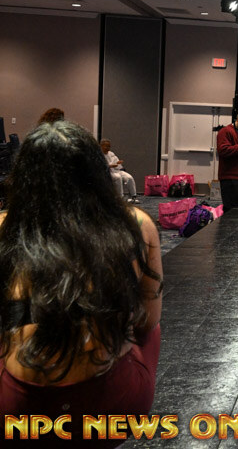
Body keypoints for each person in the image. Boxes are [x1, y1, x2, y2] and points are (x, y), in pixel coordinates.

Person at [0, 120, 163, 446]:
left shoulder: (5, 227)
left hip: (19, 410)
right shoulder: (136, 224)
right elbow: (148, 322)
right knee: (150, 325)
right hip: (114, 406)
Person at [100, 138, 139, 204]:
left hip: (116, 170)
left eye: (109, 146)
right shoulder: (99, 155)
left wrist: (118, 163)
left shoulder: (111, 153)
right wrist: (110, 166)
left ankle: (133, 196)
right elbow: (99, 166)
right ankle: (120, 198)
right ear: (101, 146)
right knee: (118, 177)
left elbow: (117, 164)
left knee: (129, 177)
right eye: (106, 146)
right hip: (106, 172)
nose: (108, 148)